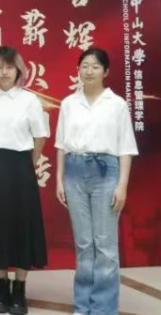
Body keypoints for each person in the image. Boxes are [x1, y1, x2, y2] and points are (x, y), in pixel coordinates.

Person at [56, 47, 138, 315]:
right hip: (74, 171)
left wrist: (122, 185)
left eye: (95, 66)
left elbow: (125, 148)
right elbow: (61, 146)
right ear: (78, 70)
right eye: (84, 66)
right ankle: (83, 306)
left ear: (106, 71)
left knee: (105, 244)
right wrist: (59, 180)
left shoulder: (117, 104)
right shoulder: (69, 103)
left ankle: (103, 308)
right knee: (83, 244)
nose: (88, 71)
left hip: (106, 173)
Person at [0, 45, 49, 315]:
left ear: (19, 70)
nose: (4, 72)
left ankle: (19, 290)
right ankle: (2, 287)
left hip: (20, 167)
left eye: (9, 67)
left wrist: (29, 164)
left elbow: (40, 136)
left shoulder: (29, 100)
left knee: (21, 226)